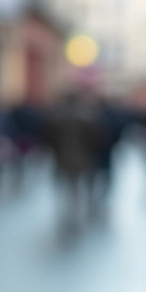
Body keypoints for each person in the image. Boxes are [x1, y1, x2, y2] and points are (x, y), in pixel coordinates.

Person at [46, 91, 103, 235]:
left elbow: (50, 140)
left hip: (62, 158)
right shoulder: (86, 117)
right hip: (81, 158)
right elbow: (94, 140)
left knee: (67, 186)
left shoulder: (57, 117)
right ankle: (74, 215)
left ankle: (70, 215)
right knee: (76, 187)